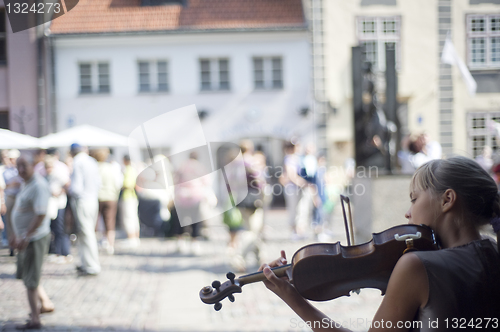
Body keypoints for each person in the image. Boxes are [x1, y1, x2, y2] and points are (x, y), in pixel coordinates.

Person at [260, 156, 500, 332]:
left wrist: (293, 300)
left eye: (414, 199)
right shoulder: (493, 252)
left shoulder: (417, 266)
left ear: (447, 199)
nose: (408, 213)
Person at [8, 154, 54, 329]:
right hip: (26, 238)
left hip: (33, 238)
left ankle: (35, 319)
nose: (20, 170)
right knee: (29, 275)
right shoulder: (27, 182)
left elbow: (40, 214)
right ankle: (45, 303)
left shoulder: (39, 185)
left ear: (33, 165)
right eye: (18, 166)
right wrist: (16, 233)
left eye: (24, 166)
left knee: (31, 281)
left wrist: (26, 236)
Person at [69, 143, 101, 276]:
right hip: (92, 199)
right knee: (85, 234)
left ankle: (92, 266)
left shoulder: (78, 162)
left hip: (82, 200)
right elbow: (99, 183)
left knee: (86, 234)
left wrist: (67, 189)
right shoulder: (91, 160)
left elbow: (76, 188)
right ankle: (85, 263)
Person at [95, 148, 122, 255]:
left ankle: (100, 242)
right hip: (110, 197)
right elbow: (117, 183)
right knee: (110, 222)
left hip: (98, 197)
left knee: (97, 222)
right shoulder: (111, 168)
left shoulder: (96, 168)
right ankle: (110, 245)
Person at [120, 155, 140, 247]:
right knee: (134, 218)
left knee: (129, 218)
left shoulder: (128, 170)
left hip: (128, 196)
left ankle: (131, 238)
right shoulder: (133, 169)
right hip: (133, 196)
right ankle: (135, 237)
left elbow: (128, 184)